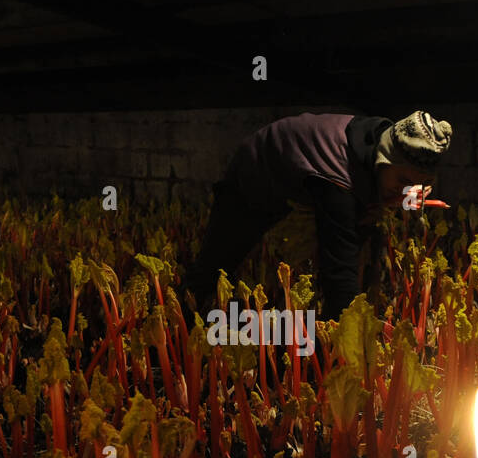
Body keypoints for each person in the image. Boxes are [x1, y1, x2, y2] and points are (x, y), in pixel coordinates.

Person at [184, 110, 452, 319]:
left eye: (415, 184)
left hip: (300, 181)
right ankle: (181, 318)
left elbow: (380, 194)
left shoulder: (379, 139)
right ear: (383, 161)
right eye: (403, 180)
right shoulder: (336, 178)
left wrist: (400, 196)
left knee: (360, 238)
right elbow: (340, 265)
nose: (406, 191)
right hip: (254, 175)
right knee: (219, 259)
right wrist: (347, 339)